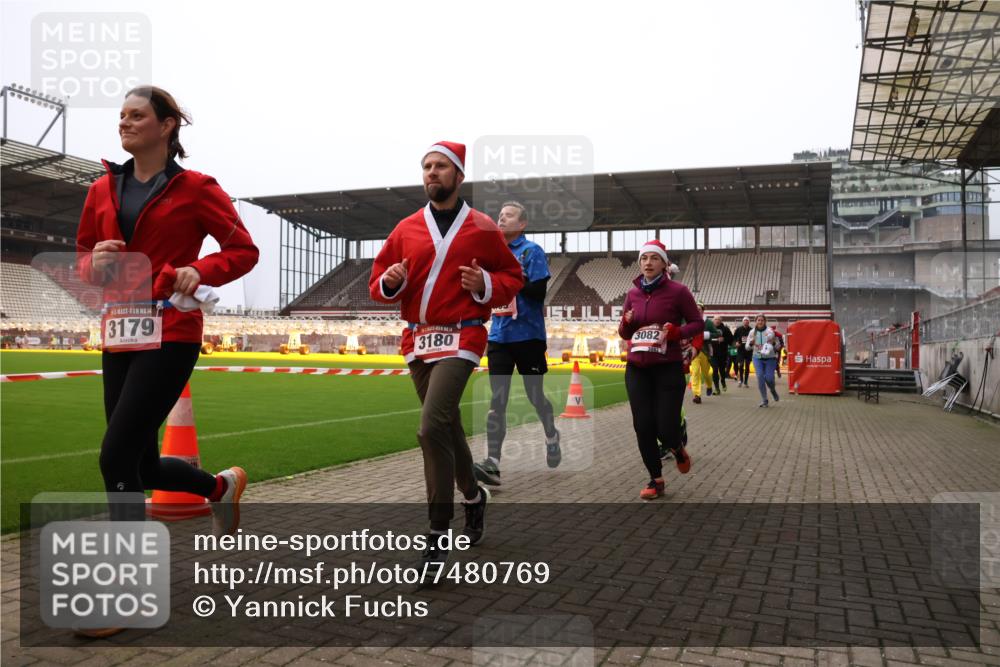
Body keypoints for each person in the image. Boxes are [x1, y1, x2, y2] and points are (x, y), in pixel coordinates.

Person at [76, 87, 258, 543]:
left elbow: (243, 250)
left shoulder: (197, 188)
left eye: (137, 115)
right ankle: (219, 487)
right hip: (119, 331)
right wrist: (93, 262)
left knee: (115, 456)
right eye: (122, 115)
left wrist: (200, 269)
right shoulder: (100, 190)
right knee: (141, 465)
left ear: (167, 125)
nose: (124, 122)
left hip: (171, 330)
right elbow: (83, 256)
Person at [369, 141, 523, 566]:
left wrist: (485, 284)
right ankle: (473, 496)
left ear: (458, 175)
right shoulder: (405, 229)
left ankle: (437, 533)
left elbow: (513, 276)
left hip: (463, 336)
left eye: (440, 166)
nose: (431, 172)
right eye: (426, 166)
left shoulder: (483, 227)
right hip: (418, 340)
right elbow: (377, 282)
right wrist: (392, 281)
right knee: (447, 427)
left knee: (429, 427)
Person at [473, 201, 559, 488]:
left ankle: (551, 435)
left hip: (529, 336)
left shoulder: (531, 251)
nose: (501, 219)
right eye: (499, 215)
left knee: (535, 396)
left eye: (508, 216)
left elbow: (538, 293)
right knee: (497, 400)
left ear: (522, 224)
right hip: (499, 336)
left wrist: (514, 277)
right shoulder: (492, 255)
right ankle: (493, 463)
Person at [618, 240, 702, 500]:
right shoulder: (632, 294)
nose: (648, 263)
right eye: (644, 258)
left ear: (664, 264)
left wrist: (677, 332)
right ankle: (656, 480)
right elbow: (624, 333)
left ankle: (677, 448)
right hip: (637, 368)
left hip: (667, 368)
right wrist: (626, 323)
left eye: (654, 258)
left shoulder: (679, 291)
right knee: (643, 426)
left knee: (666, 428)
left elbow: (697, 323)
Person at [745, 314, 780, 407]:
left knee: (769, 378)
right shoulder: (752, 332)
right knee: (760, 377)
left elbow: (778, 346)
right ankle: (764, 400)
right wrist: (751, 344)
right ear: (755, 321)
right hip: (757, 358)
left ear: (765, 321)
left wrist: (773, 342)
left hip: (770, 358)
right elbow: (747, 347)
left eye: (762, 320)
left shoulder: (770, 331)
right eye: (758, 320)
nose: (760, 322)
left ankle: (773, 390)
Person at [689, 302, 715, 403]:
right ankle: (697, 395)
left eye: (699, 309)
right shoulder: (690, 321)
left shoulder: (708, 323)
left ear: (703, 311)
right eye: (696, 309)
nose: (697, 311)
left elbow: (717, 333)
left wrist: (707, 335)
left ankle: (709, 385)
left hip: (705, 351)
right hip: (694, 350)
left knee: (706, 373)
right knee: (695, 372)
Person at [710, 315, 733, 394]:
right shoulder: (710, 328)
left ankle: (723, 381)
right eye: (715, 319)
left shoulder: (725, 329)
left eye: (718, 319)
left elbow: (731, 339)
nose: (717, 321)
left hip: (722, 353)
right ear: (713, 321)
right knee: (715, 369)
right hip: (712, 353)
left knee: (722, 370)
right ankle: (717, 388)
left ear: (721, 321)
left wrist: (724, 339)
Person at [733, 316, 753, 388]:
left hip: (748, 350)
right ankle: (741, 380)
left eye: (747, 321)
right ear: (743, 322)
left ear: (749, 322)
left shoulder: (751, 330)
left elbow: (754, 338)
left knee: (747, 365)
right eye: (745, 320)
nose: (746, 322)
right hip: (740, 350)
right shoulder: (738, 329)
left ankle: (746, 382)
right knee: (741, 365)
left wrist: (752, 343)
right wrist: (736, 343)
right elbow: (734, 338)